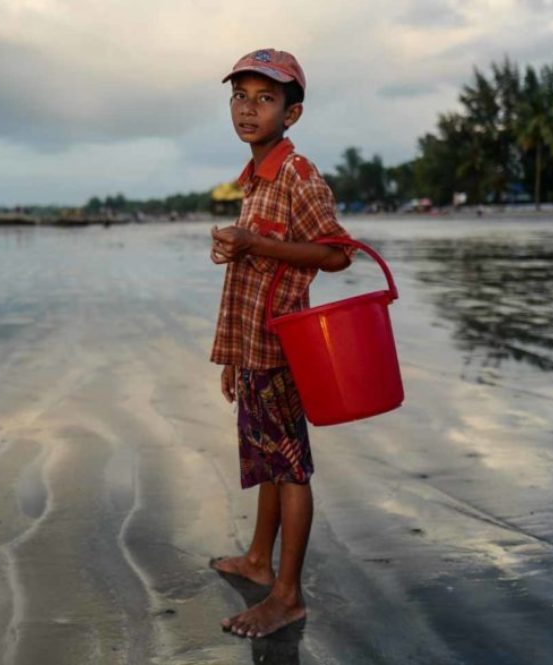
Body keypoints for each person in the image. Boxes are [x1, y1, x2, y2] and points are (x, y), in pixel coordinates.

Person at [209, 48, 354, 639]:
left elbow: (338, 252)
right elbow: (250, 265)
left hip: (286, 346)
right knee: (269, 459)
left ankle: (287, 595)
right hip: (255, 349)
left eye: (265, 98)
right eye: (240, 96)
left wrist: (256, 244)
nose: (249, 108)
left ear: (290, 114)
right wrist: (234, 359)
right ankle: (257, 561)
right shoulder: (252, 179)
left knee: (290, 468)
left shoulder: (298, 174)